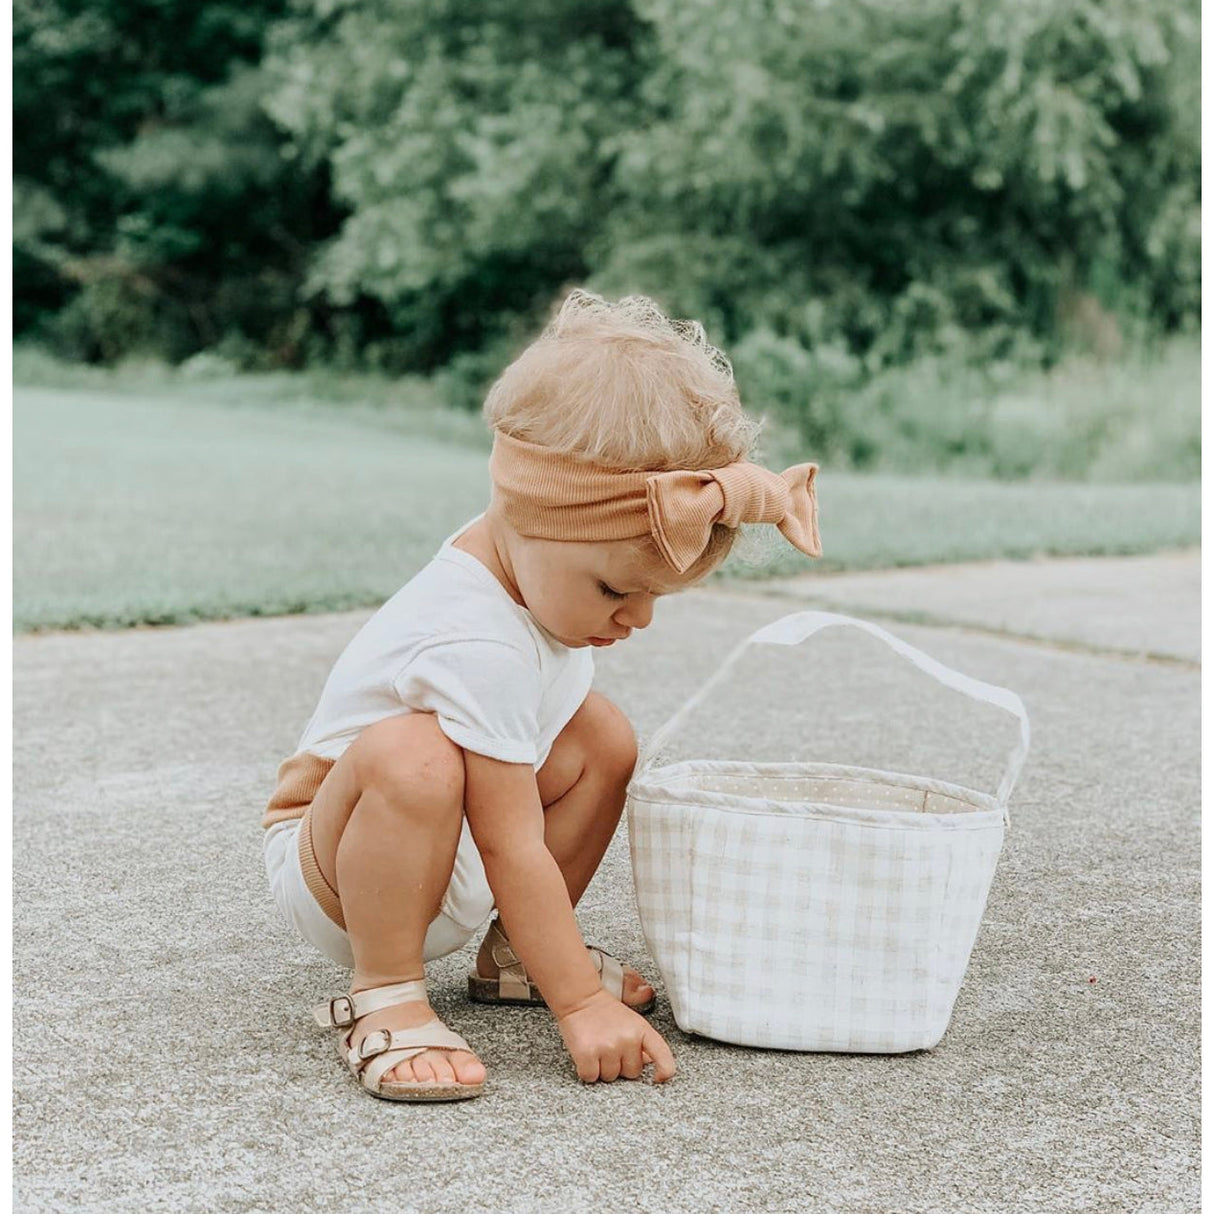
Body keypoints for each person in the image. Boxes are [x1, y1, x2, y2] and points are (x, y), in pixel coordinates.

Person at [262, 289, 822, 1102]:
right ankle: (385, 993)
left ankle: (514, 954)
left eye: (656, 598)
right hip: (344, 875)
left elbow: (510, 818)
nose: (637, 618)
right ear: (533, 520)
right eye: (615, 589)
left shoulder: (530, 547)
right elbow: (508, 843)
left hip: (448, 839)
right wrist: (582, 1003)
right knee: (412, 756)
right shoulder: (475, 639)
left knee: (603, 739)